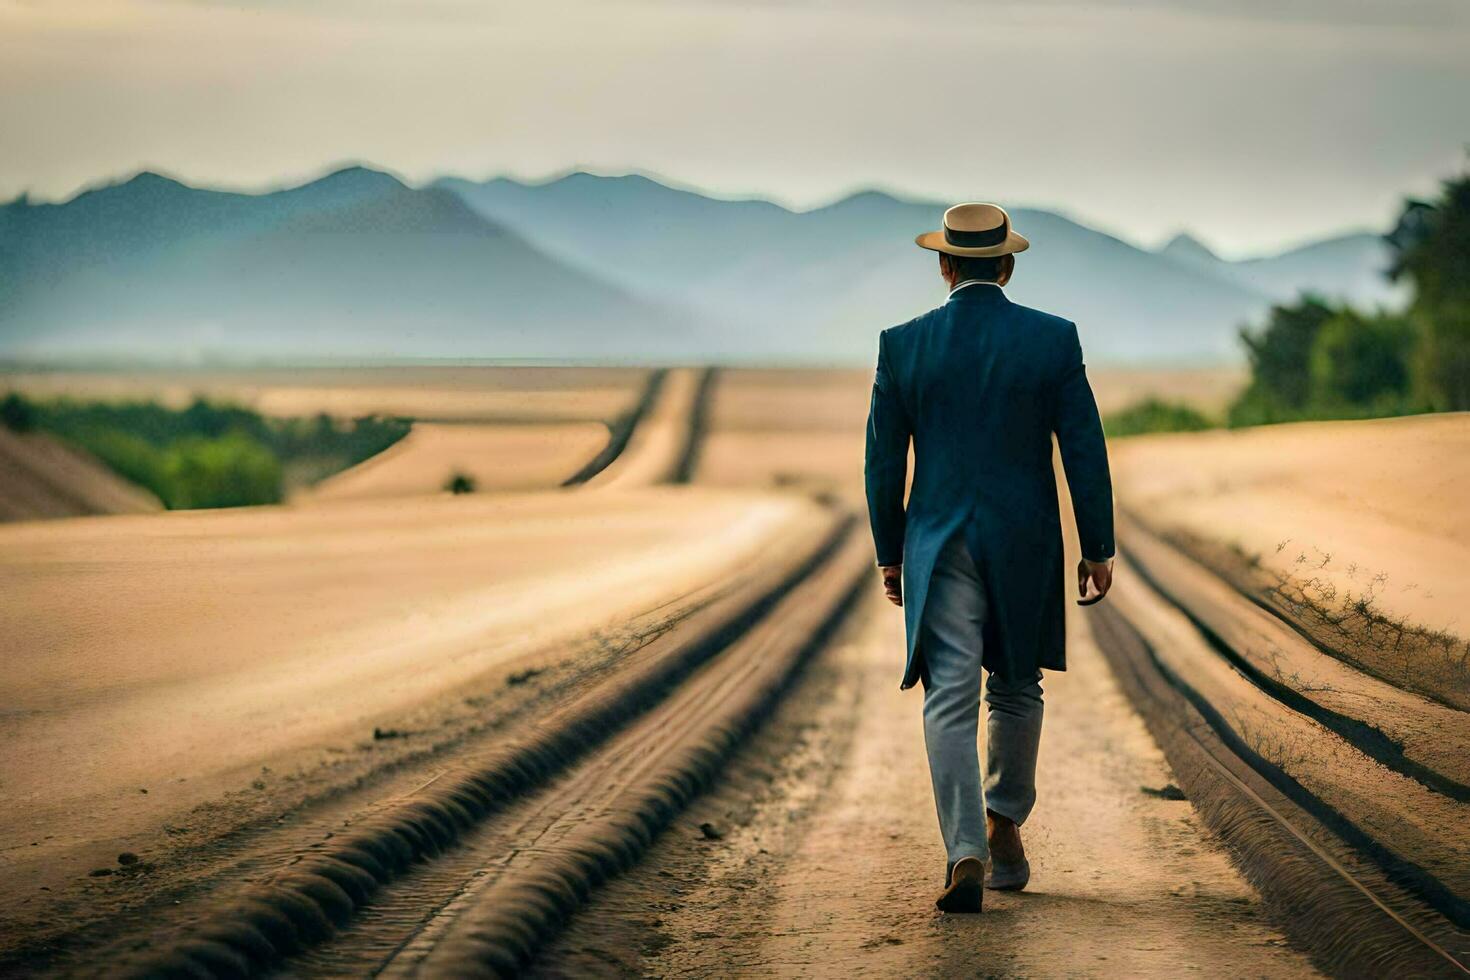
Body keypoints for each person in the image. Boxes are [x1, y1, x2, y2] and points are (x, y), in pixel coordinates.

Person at [864, 202, 1115, 914]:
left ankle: (964, 849)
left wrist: (891, 553)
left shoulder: (902, 345)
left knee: (948, 698)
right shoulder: (1053, 340)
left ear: (944, 265)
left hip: (938, 542)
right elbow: (1084, 449)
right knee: (1015, 685)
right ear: (1006, 264)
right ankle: (1004, 821)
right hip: (1024, 540)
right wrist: (1097, 545)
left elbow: (882, 463)